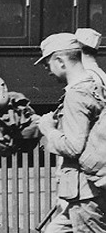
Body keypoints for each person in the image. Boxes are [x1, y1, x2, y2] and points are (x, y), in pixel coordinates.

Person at [34, 33, 106, 232]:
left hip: (85, 193)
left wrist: (48, 129)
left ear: (60, 61)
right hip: (89, 188)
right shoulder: (94, 85)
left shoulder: (76, 94)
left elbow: (73, 147)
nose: (47, 70)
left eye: (47, 64)